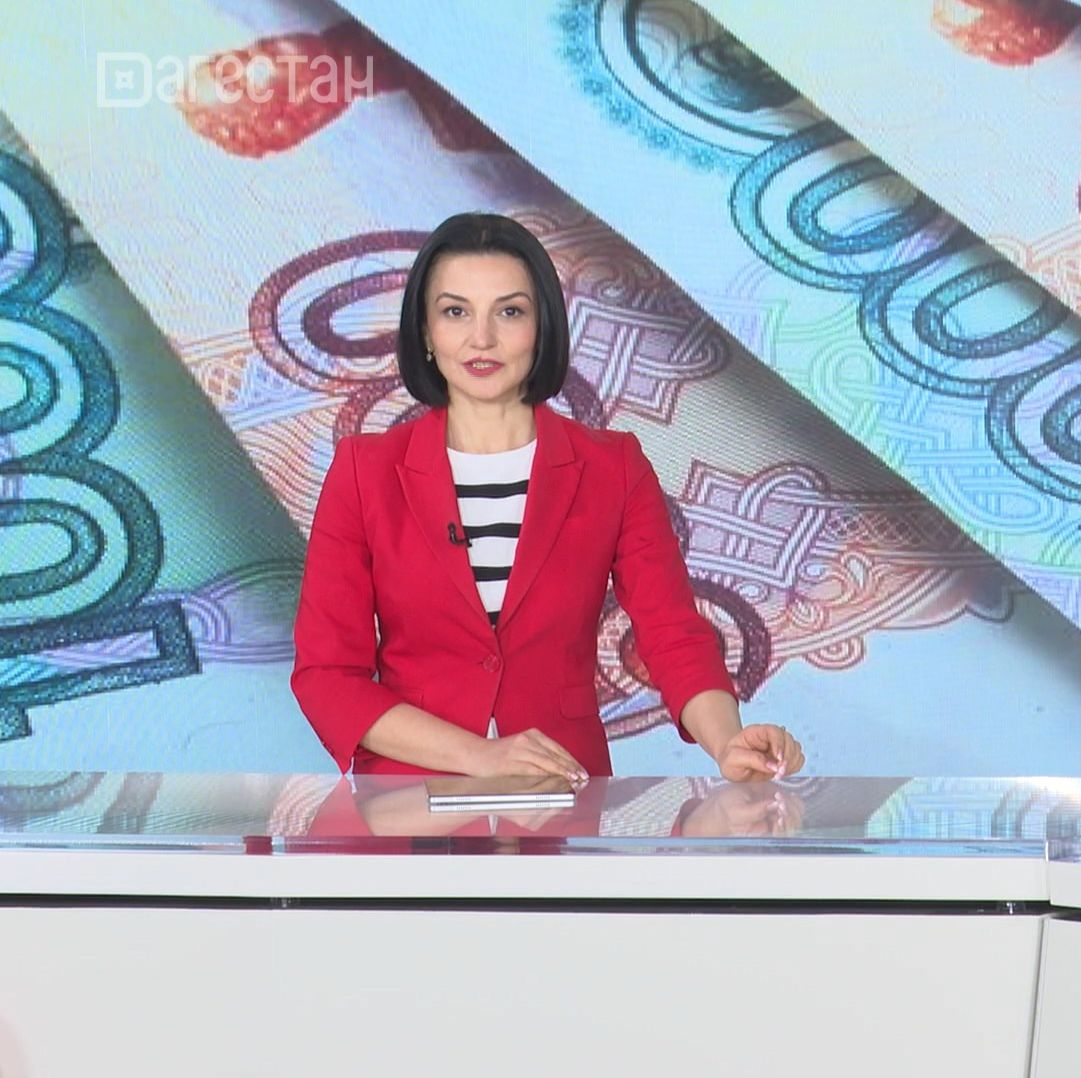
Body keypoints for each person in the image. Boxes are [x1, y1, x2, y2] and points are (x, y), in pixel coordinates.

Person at [290, 212, 805, 784]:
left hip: (563, 788)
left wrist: (728, 742)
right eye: (455, 312)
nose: (481, 338)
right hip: (408, 799)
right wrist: (480, 756)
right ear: (426, 333)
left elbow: (672, 635)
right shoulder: (365, 472)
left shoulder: (613, 467)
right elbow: (327, 674)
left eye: (509, 312)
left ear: (542, 329)